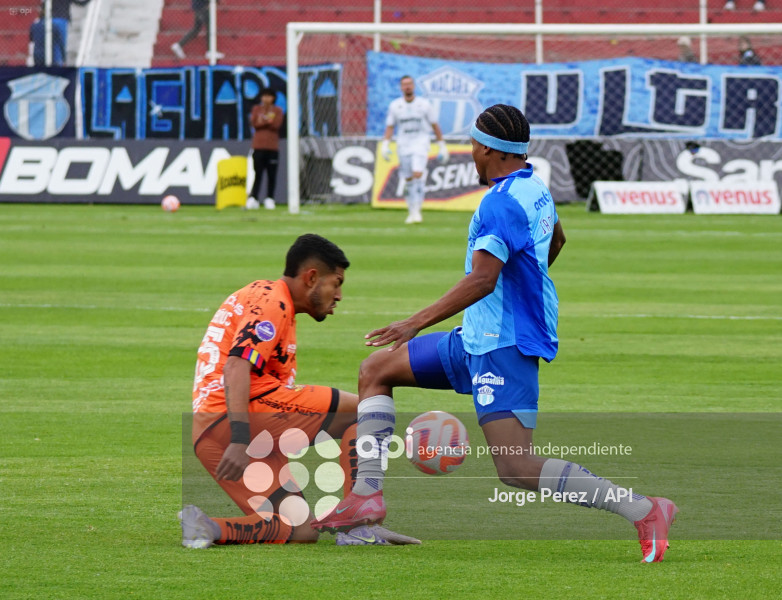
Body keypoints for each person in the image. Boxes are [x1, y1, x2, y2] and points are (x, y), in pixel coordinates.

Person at [312, 104, 679, 563]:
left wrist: (414, 322)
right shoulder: (534, 185)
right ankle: (367, 499)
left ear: (484, 147)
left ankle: (645, 510)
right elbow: (557, 240)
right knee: (376, 370)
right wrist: (524, 291)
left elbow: (484, 278)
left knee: (515, 466)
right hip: (476, 338)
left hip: (503, 346)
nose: (470, 152)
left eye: (471, 144)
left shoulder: (498, 203)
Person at [181, 234, 419, 547]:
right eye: (336, 283)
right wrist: (239, 438)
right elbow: (236, 367)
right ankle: (360, 525)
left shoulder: (264, 298)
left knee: (299, 529)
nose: (339, 295)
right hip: (241, 417)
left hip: (208, 433)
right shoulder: (273, 302)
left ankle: (207, 528)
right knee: (365, 412)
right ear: (311, 278)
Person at [381, 75, 448, 224]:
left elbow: (434, 125)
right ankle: (411, 210)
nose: (407, 87)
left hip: (420, 143)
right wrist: (385, 144)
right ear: (401, 87)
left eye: (409, 84)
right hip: (403, 144)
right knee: (408, 178)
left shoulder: (424, 105)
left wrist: (441, 145)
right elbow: (390, 126)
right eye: (404, 84)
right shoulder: (395, 106)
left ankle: (417, 211)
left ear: (414, 86)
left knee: (417, 174)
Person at [247, 88, 284, 211]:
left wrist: (263, 121)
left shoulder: (278, 110)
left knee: (271, 174)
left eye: (269, 96)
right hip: (258, 146)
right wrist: (265, 121)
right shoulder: (256, 109)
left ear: (273, 98)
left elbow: (276, 124)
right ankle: (254, 198)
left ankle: (270, 198)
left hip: (272, 147)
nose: (266, 99)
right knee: (257, 173)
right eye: (264, 96)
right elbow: (255, 123)